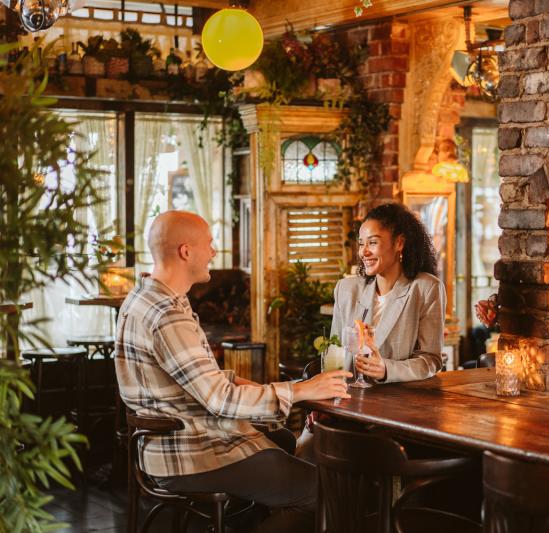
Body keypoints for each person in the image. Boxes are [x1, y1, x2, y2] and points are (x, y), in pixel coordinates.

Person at [115, 210, 351, 531]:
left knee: (281, 439)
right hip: (188, 453)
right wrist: (301, 390)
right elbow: (219, 400)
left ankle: (252, 519)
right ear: (186, 252)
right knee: (328, 491)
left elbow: (194, 380)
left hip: (167, 443)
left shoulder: (147, 296)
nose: (213, 252)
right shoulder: (167, 315)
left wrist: (280, 388)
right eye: (209, 244)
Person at [333, 202, 446, 383]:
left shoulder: (426, 288)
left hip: (397, 404)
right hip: (348, 401)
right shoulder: (346, 290)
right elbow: (335, 354)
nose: (364, 252)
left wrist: (386, 369)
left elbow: (431, 360)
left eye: (373, 242)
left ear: (399, 243)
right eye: (361, 244)